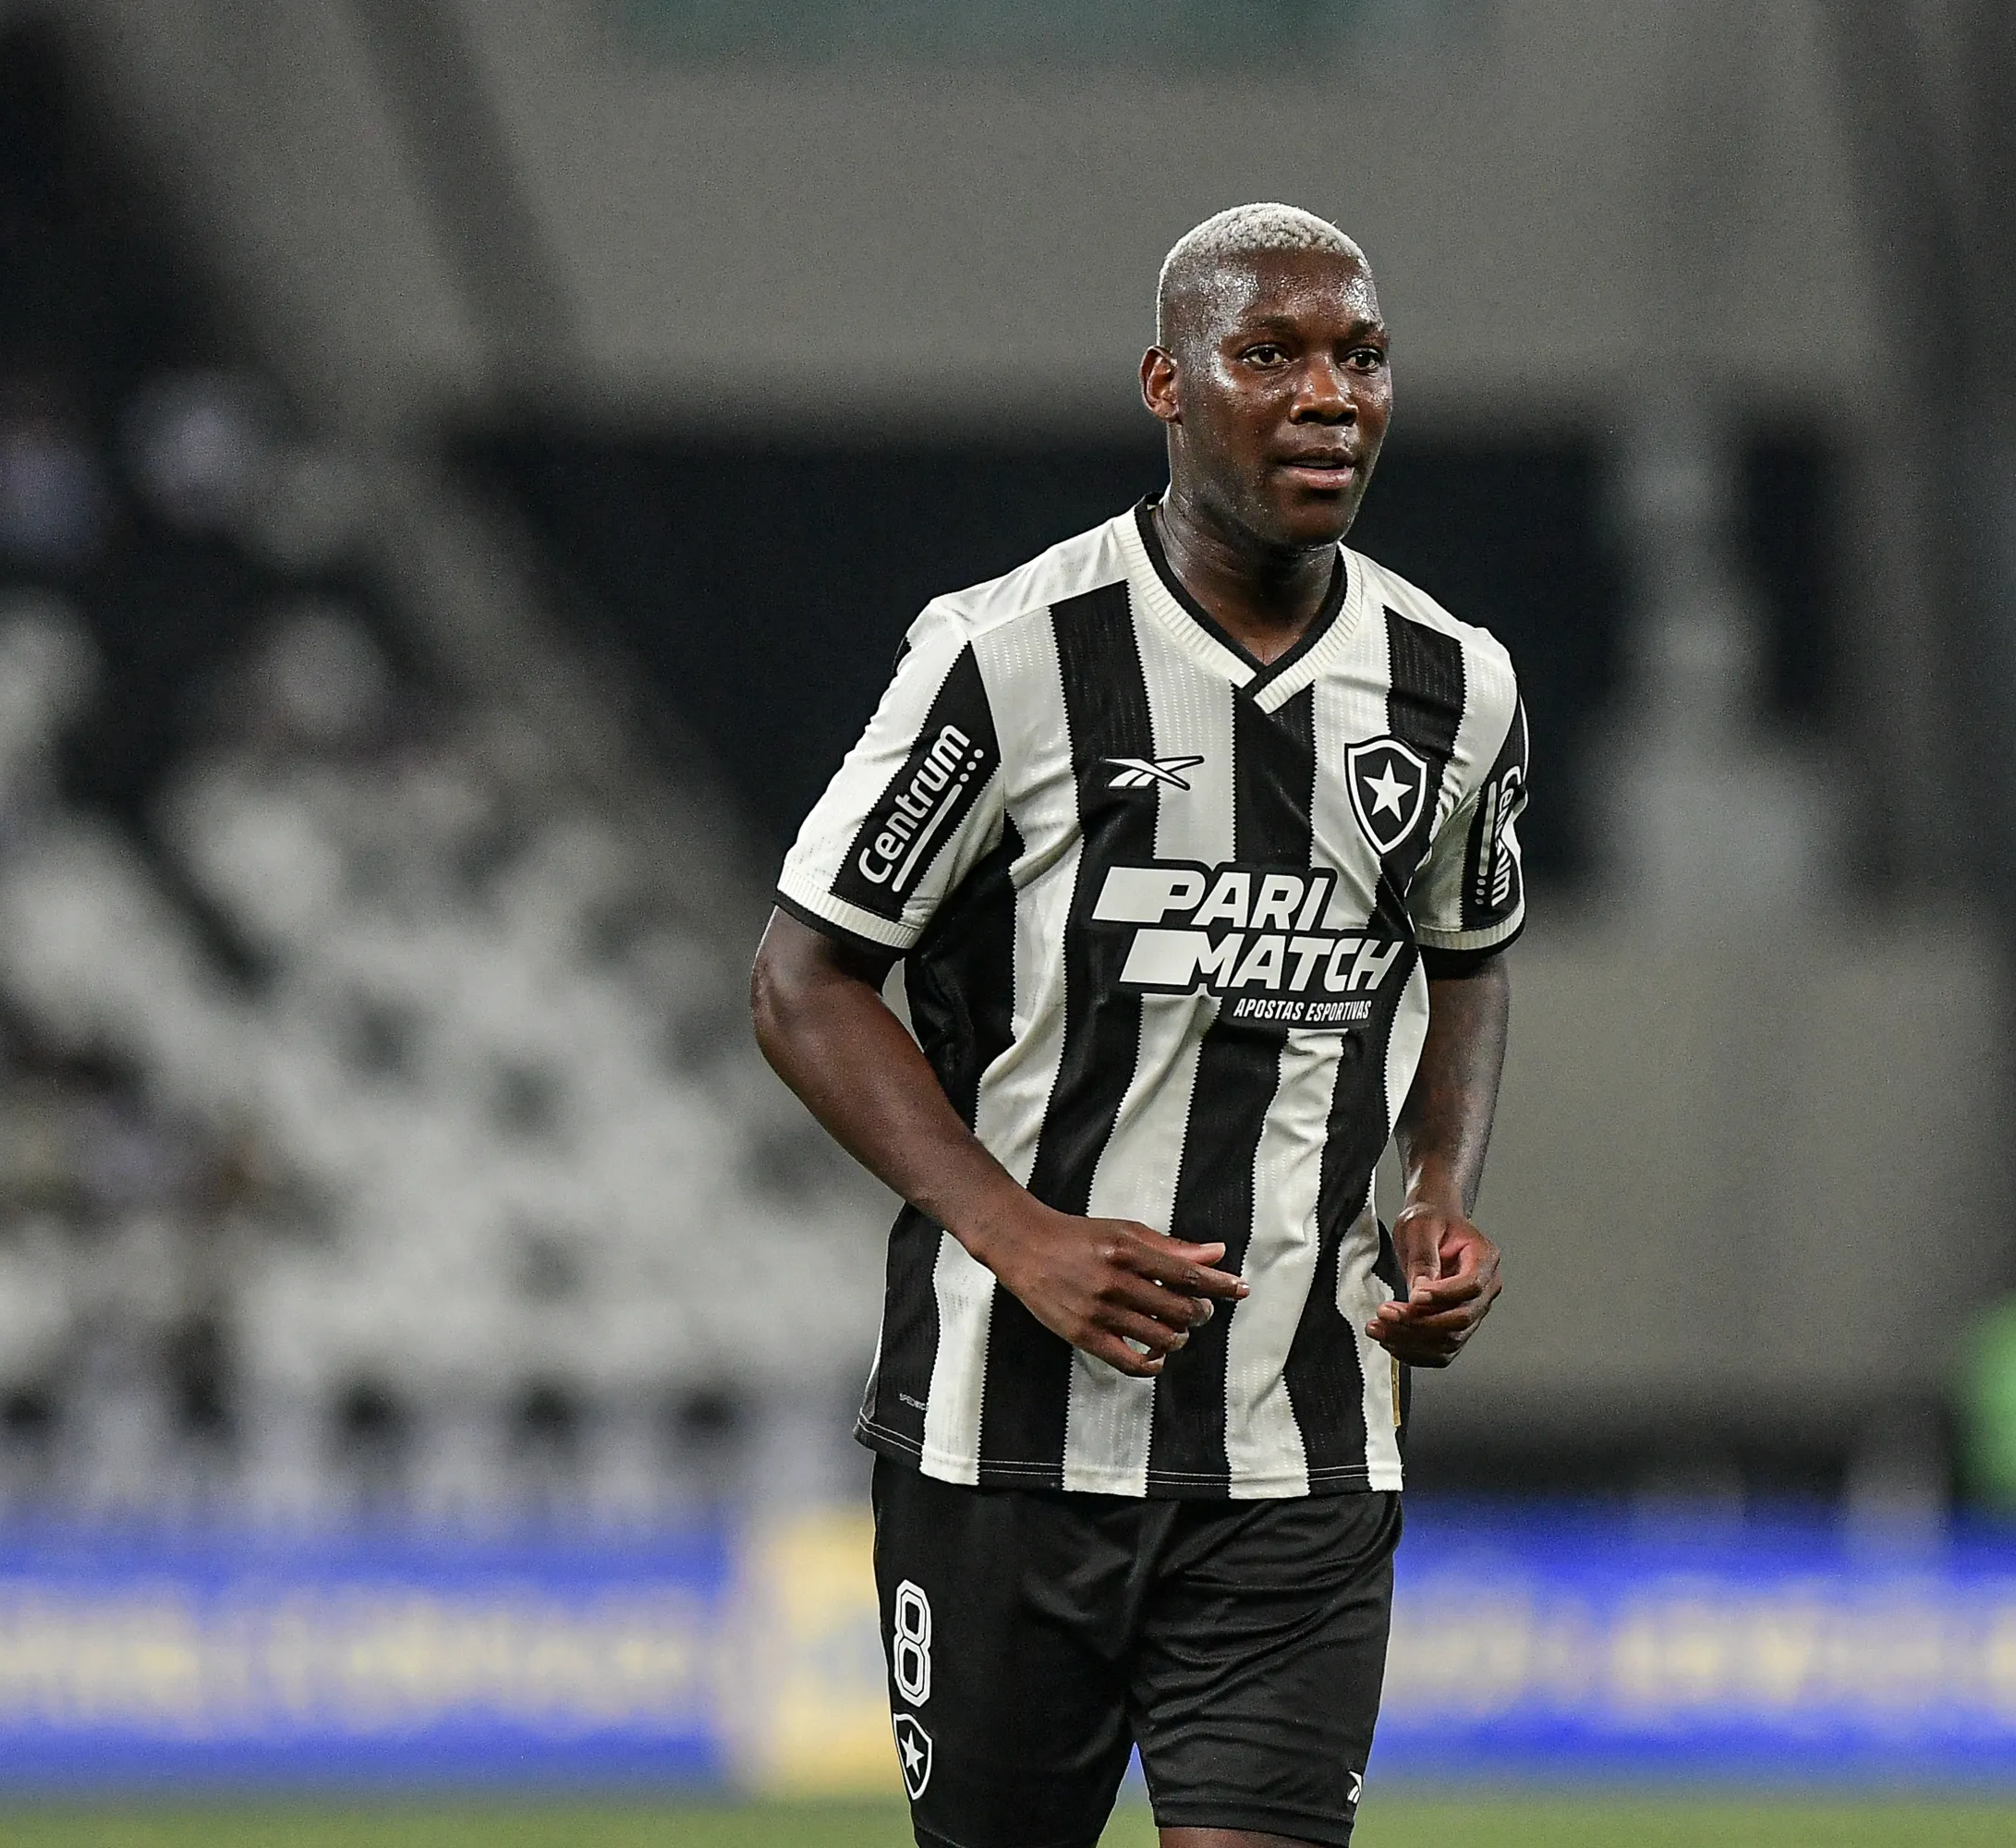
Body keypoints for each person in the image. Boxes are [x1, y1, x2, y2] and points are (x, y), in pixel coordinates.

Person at [750, 202, 1527, 1848]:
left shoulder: (1457, 686)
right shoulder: (1009, 656)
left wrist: (1437, 1190)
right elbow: (803, 982)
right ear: (1168, 385)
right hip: (1006, 1447)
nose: (1329, 396)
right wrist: (1017, 1232)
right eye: (1272, 355)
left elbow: (1468, 958)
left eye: (1362, 357)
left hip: (1301, 1449)